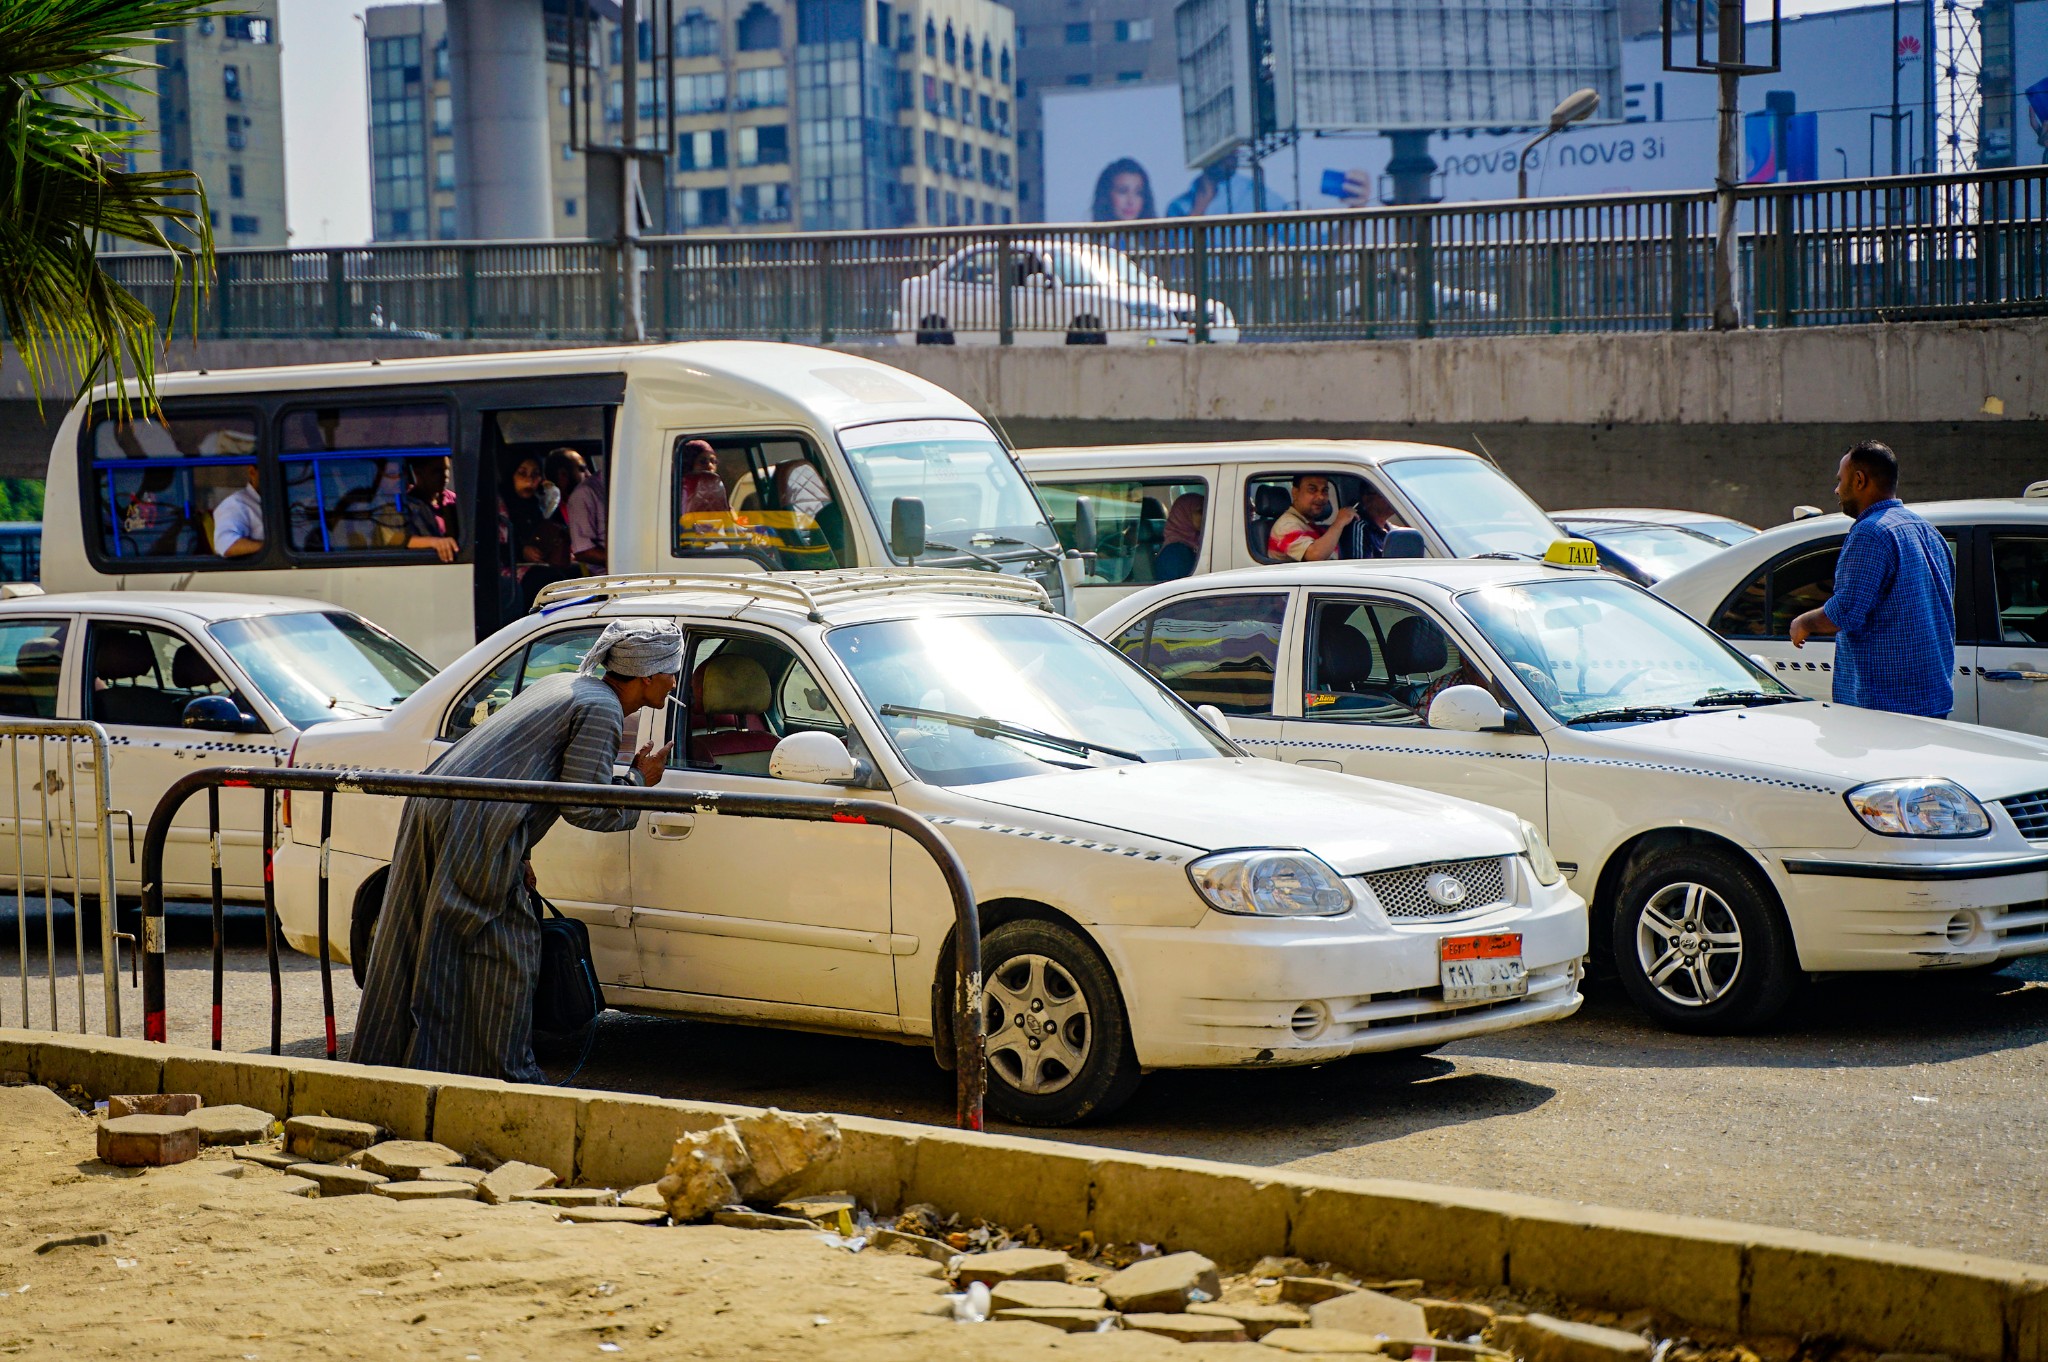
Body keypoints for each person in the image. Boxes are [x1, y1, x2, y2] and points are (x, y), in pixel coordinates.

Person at [351, 619, 681, 1082]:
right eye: (671, 672)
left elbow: (522, 766)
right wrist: (640, 782)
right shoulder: (601, 708)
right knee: (504, 954)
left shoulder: (567, 684)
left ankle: (406, 1069)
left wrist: (521, 852)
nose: (675, 682)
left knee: (428, 942)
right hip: (473, 824)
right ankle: (506, 1078)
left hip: (445, 810)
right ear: (647, 675)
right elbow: (585, 807)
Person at [1789, 441, 1955, 718]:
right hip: (1931, 696)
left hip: (1885, 706)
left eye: (1840, 480)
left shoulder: (1870, 533)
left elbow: (1846, 612)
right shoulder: (1924, 529)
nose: (1837, 490)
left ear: (1859, 480)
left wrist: (1803, 622)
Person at [1268, 474, 1356, 562]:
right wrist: (1339, 522)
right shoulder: (1286, 525)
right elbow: (1315, 555)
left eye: (1324, 491)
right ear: (1295, 493)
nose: (1321, 497)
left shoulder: (1310, 525)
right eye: (1312, 490)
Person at [554, 445, 609, 573]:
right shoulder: (583, 495)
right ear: (563, 475)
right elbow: (583, 551)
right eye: (581, 469)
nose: (589, 474)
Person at [401, 457, 460, 563]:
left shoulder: (453, 499)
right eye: (437, 471)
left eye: (447, 470)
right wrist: (436, 542)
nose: (445, 476)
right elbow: (401, 540)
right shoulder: (408, 505)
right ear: (418, 472)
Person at [212, 465, 264, 558]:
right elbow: (226, 544)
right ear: (252, 472)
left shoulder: (288, 500)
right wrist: (270, 547)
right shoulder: (236, 504)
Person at [1155, 493, 1204, 580]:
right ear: (1184, 514)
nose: (1204, 514)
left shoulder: (1195, 543)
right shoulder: (1174, 553)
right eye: (1200, 511)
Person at [1091, 158, 1155, 222]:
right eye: (1123, 191)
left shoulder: (1160, 231)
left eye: (1138, 193)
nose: (1131, 202)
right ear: (1106, 195)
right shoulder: (1089, 231)